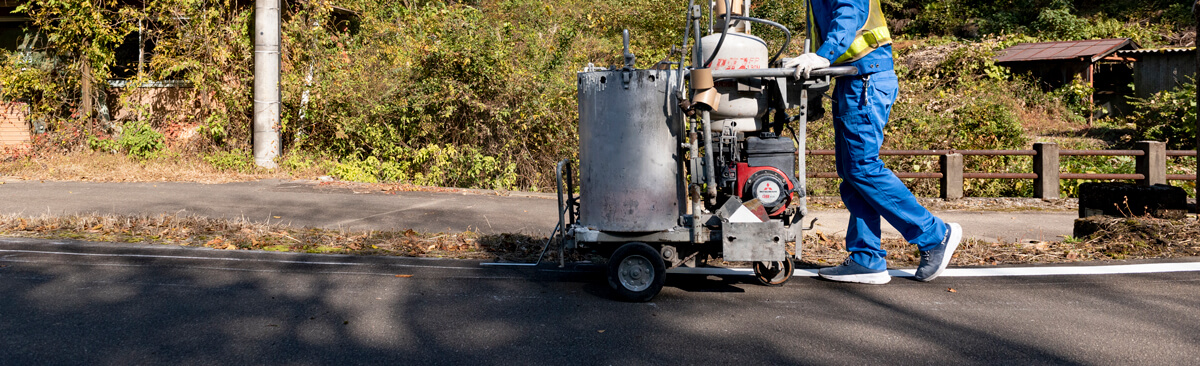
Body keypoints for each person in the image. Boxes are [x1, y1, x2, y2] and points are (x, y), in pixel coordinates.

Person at [784, 0, 962, 284]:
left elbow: (848, 14)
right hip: (852, 79)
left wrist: (824, 55)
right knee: (852, 174)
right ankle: (866, 259)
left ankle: (935, 235)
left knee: (863, 168)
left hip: (865, 78)